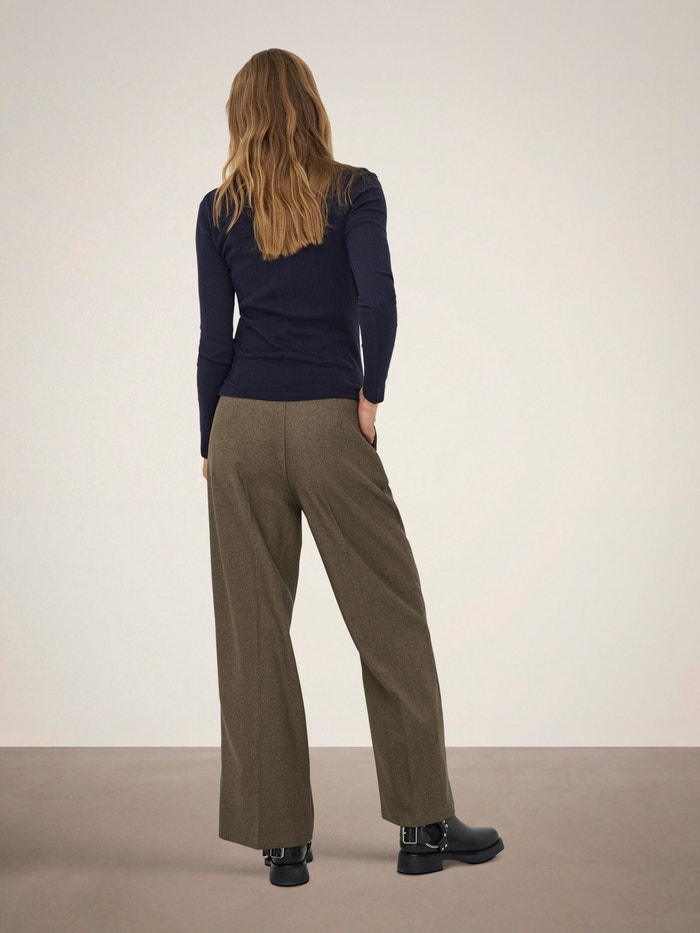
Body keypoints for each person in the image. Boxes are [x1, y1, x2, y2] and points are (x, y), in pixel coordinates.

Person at [196, 48, 504, 887]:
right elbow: (379, 296)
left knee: (253, 633)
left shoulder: (218, 210)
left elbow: (215, 339)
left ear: (241, 115)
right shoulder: (354, 190)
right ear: (311, 105)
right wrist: (371, 395)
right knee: (390, 619)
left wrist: (209, 439)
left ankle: (282, 845)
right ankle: (423, 827)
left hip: (240, 424)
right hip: (331, 422)